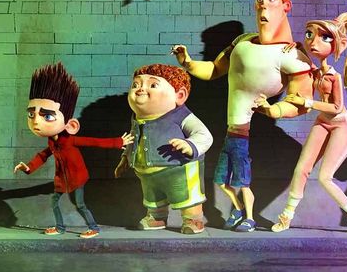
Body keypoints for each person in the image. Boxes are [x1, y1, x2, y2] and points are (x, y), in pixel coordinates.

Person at [171, 0, 313, 232]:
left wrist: (273, 109)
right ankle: (239, 211)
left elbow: (301, 102)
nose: (263, 4)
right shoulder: (242, 41)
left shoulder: (293, 56)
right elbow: (214, 69)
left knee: (242, 181)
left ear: (286, 6)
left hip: (244, 133)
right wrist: (187, 62)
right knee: (223, 180)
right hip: (232, 132)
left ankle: (248, 216)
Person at [257, 12, 347, 233]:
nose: (314, 42)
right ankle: (286, 216)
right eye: (309, 35)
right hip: (322, 122)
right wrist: (297, 47)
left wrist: (307, 102)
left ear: (338, 44)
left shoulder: (334, 77)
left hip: (343, 125)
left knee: (325, 177)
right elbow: (304, 65)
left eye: (324, 37)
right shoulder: (315, 71)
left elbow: (336, 107)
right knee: (301, 169)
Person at [14, 62, 134, 238]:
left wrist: (118, 142)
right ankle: (60, 227)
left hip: (77, 178)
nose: (36, 121)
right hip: (62, 180)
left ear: (71, 125)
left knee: (80, 205)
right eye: (31, 114)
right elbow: (43, 155)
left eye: (47, 116)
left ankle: (94, 228)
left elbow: (94, 142)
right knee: (54, 202)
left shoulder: (70, 140)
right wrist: (28, 167)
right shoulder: (52, 142)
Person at [114, 63, 213, 234]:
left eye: (152, 85)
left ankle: (193, 219)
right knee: (153, 199)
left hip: (179, 169)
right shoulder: (136, 119)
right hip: (146, 171)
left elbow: (204, 135)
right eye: (136, 85)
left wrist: (190, 145)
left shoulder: (182, 115)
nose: (140, 89)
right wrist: (126, 157)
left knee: (187, 197)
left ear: (179, 95)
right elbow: (133, 138)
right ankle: (157, 217)